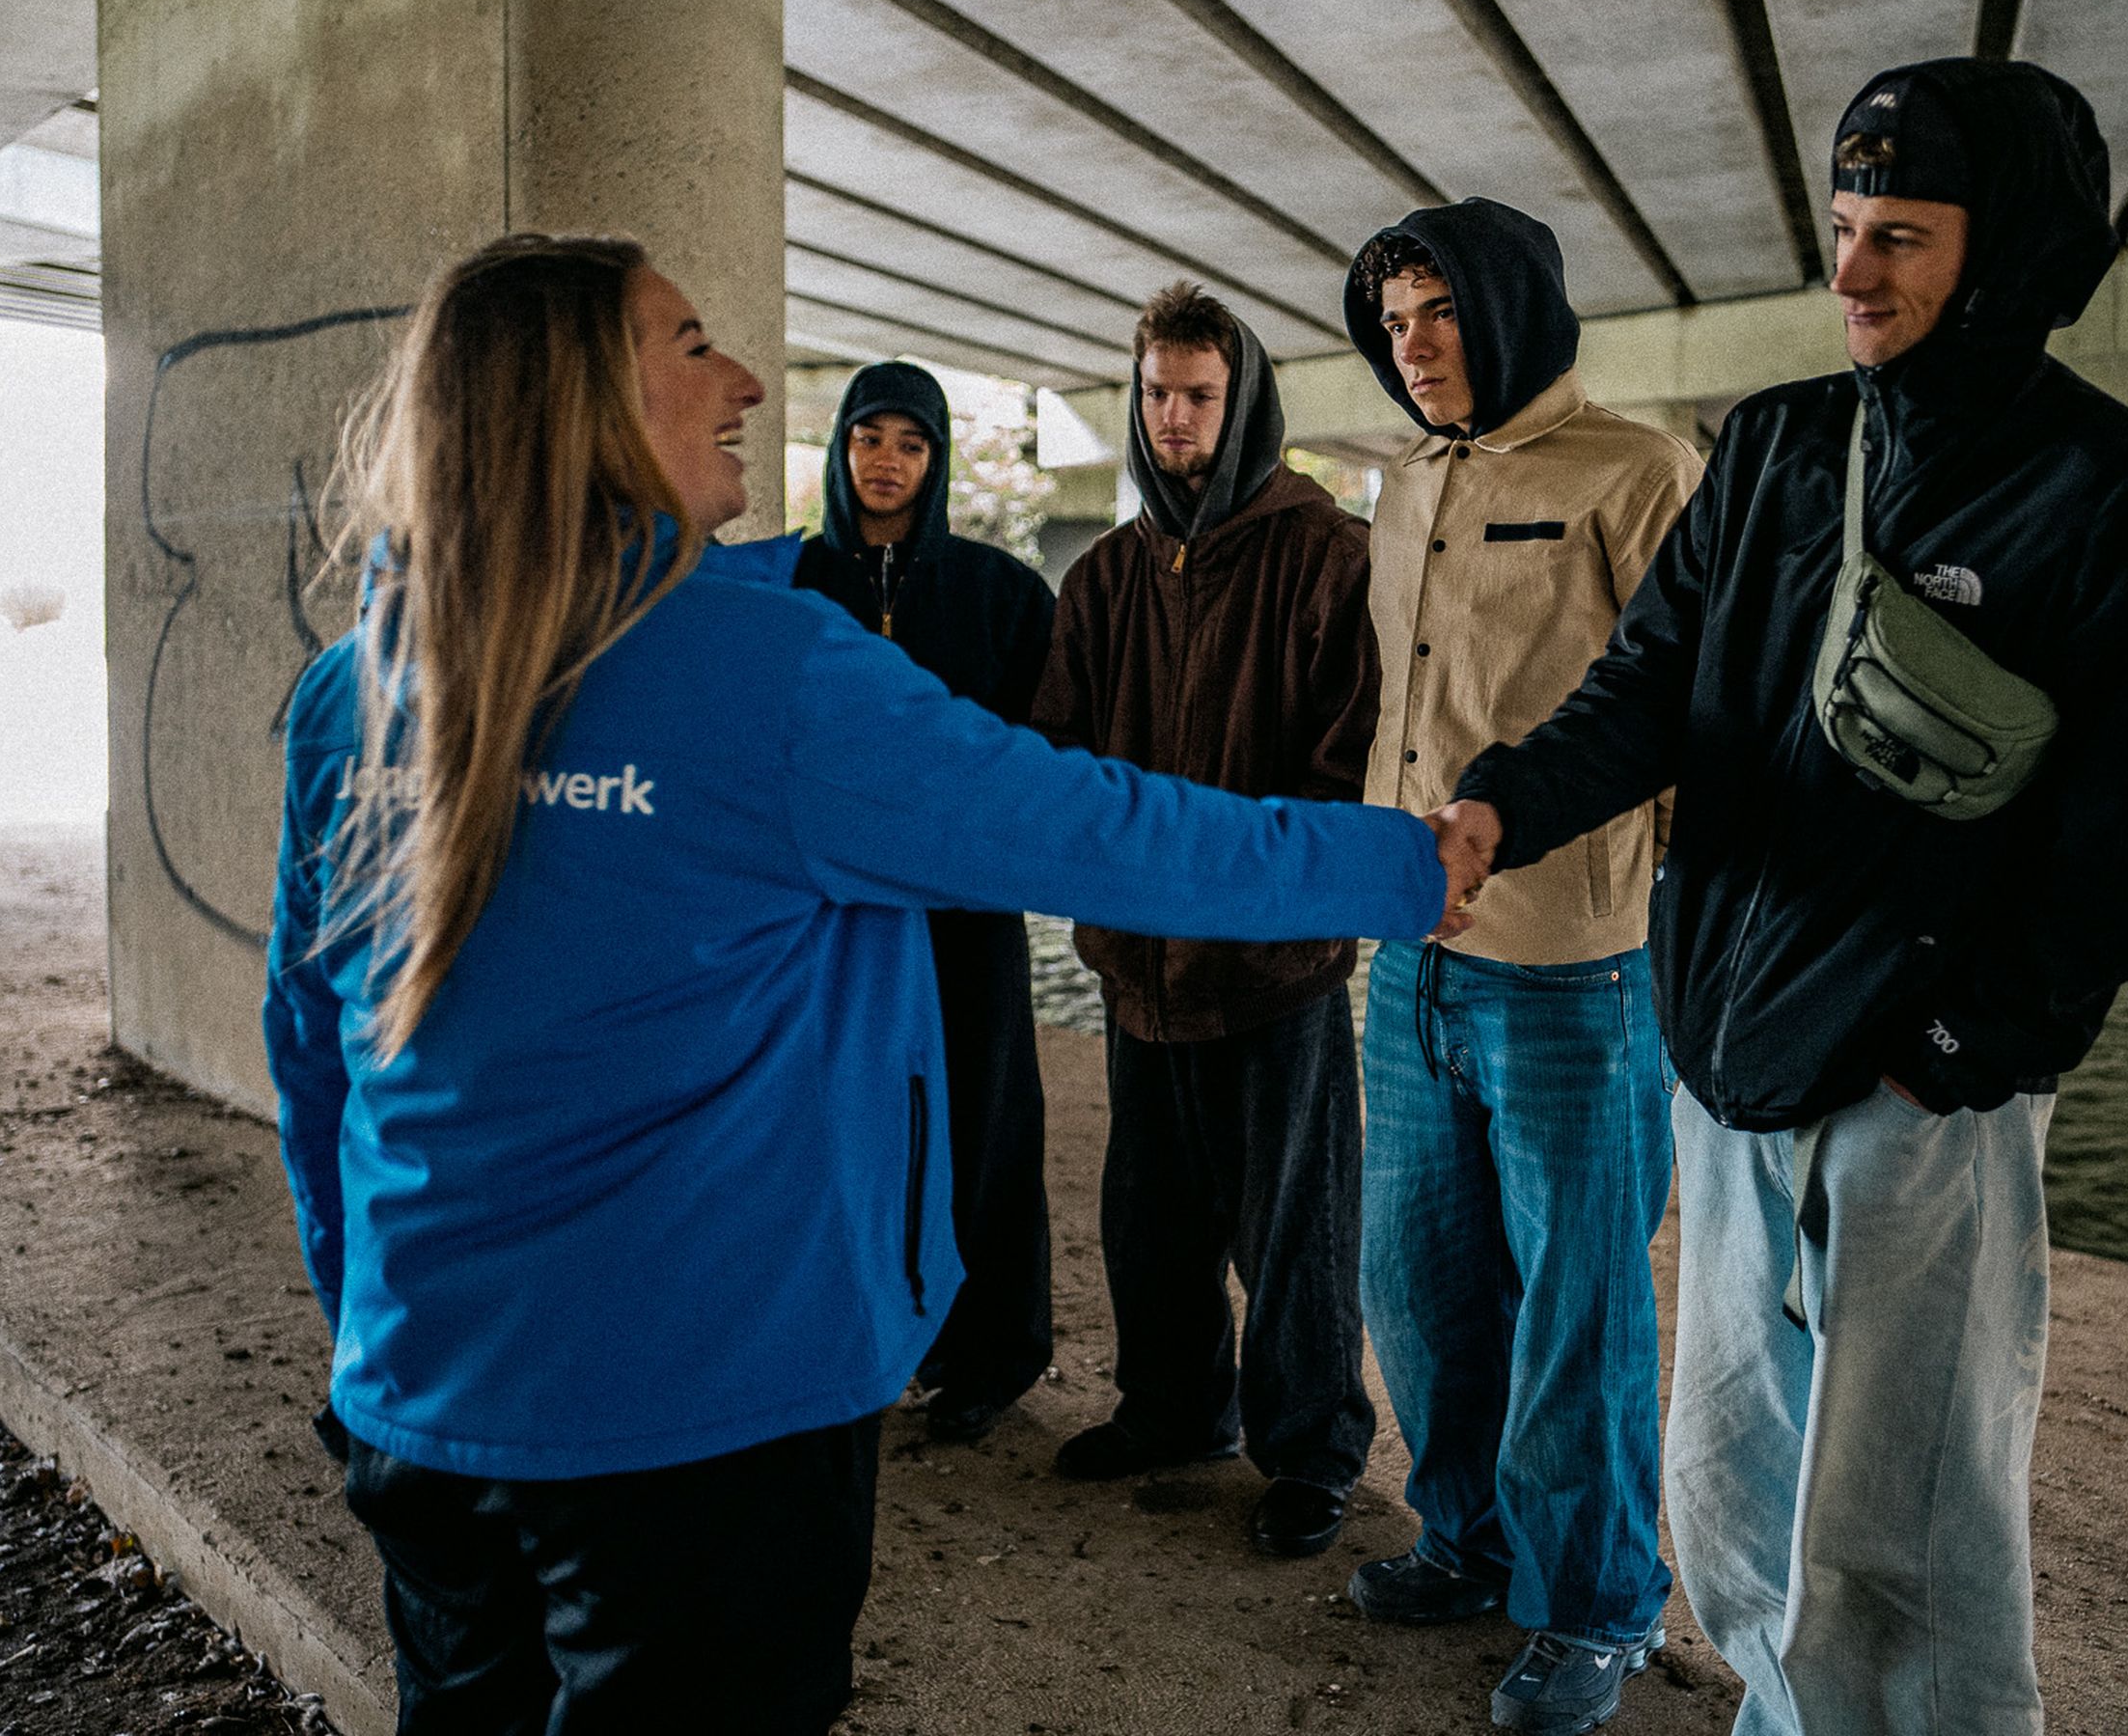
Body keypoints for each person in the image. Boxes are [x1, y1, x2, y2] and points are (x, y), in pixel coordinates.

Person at [263, 234, 1478, 1735]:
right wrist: (1402, 869)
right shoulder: (769, 674)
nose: (747, 379)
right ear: (584, 401)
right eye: (692, 339)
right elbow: (1103, 830)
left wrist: (367, 1320)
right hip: (703, 1430)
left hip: (418, 1411)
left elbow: (312, 1052)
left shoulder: (354, 685)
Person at [1437, 60, 2128, 1735]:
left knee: (1907, 1548)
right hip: (1723, 1070)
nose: (1851, 273)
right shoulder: (1782, 445)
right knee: (1728, 1500)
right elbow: (1644, 689)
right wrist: (1498, 802)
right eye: (1846, 228)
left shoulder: (2113, 489)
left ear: (2003, 250)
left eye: (1904, 237)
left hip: (1916, 1101)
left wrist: (1946, 1046)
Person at [1339, 196, 1701, 1735]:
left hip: (1576, 968)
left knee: (1579, 1310)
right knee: (1418, 1285)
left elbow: (1694, 706)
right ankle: (1469, 1539)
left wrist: (1661, 905)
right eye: (1396, 321)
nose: (1416, 349)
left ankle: (1596, 1608)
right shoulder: (1404, 480)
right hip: (1407, 962)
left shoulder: (1638, 468)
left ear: (1513, 307)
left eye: (1441, 314)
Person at [1029, 281, 1381, 1561]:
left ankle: (1313, 1453)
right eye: (1157, 394)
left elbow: (1349, 767)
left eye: (1199, 397)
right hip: (1138, 969)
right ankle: (1177, 1412)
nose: (1173, 418)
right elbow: (1057, 756)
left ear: (1245, 406)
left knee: (1294, 1226)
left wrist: (1264, 902)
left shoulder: (1325, 555)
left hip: (1273, 972)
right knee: (1151, 1214)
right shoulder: (1107, 576)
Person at [794, 360, 1057, 1445]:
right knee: (843, 1121)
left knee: (984, 1114)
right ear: (841, 449)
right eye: (869, 438)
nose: (887, 460)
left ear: (936, 460)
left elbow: (1048, 747)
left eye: (910, 442)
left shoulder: (998, 592)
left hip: (963, 911)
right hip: (834, 917)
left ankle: (990, 1353)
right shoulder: (795, 583)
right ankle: (860, 1331)